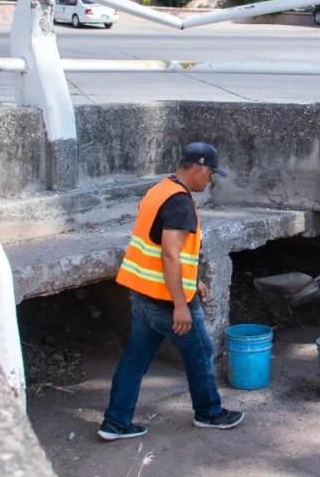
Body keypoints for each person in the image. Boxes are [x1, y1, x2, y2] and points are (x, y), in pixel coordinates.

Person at [98, 143, 245, 440]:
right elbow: (169, 255)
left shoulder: (159, 190)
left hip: (141, 292)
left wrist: (193, 281)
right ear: (199, 168)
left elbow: (158, 250)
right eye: (211, 174)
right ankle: (209, 413)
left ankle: (115, 422)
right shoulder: (180, 203)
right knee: (201, 351)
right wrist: (181, 303)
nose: (210, 181)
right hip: (166, 302)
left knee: (135, 359)